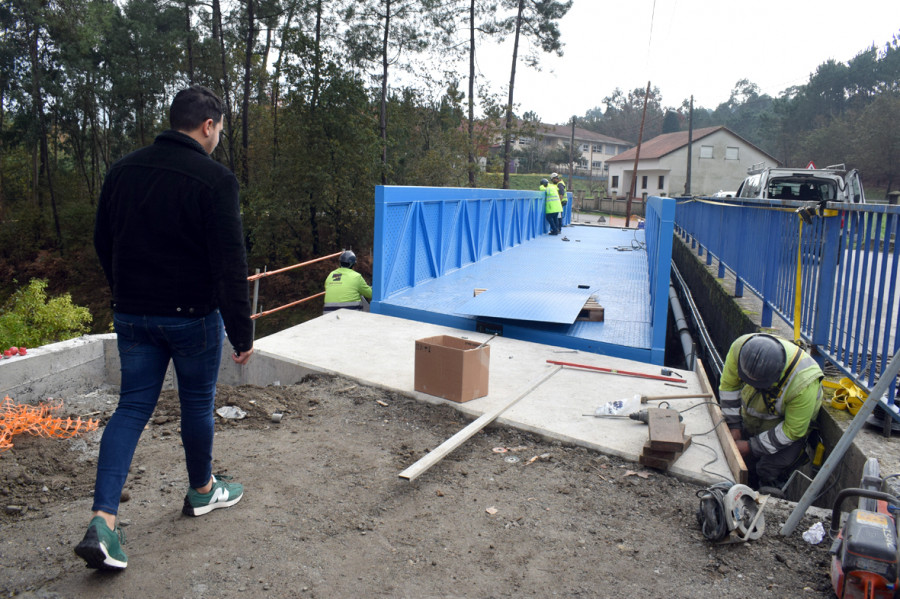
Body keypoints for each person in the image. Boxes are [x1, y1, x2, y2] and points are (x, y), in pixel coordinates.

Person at [80, 85, 254, 571]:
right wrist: (241, 333)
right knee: (196, 403)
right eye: (219, 129)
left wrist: (124, 290)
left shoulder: (123, 170)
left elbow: (102, 239)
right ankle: (202, 490)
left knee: (131, 407)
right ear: (208, 126)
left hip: (133, 313)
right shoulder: (216, 180)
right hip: (192, 318)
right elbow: (229, 264)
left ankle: (103, 523)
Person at [719, 333, 824, 490]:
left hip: (788, 431)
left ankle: (771, 492)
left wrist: (750, 446)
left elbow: (792, 431)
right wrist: (734, 427)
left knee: (768, 469)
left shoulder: (804, 383)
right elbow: (729, 387)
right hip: (752, 421)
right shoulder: (739, 350)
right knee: (746, 464)